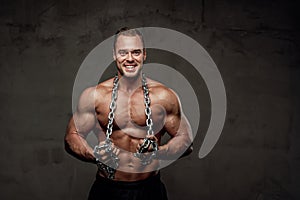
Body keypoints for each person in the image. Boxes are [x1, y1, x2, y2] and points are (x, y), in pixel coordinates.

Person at [64, 27, 193, 200]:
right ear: (114, 55)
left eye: (136, 52)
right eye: (123, 52)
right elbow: (72, 136)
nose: (130, 58)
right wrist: (95, 155)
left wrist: (158, 152)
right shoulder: (95, 96)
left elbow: (185, 139)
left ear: (144, 55)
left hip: (149, 190)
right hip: (108, 190)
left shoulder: (164, 96)